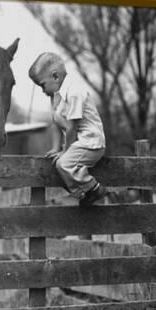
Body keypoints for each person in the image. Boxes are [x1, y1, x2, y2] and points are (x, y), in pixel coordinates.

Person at [28, 52, 107, 207]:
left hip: (91, 143)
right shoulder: (58, 96)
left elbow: (71, 127)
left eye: (43, 85)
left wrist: (65, 150)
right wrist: (55, 148)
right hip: (81, 144)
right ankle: (82, 194)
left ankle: (94, 189)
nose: (43, 91)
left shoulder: (75, 92)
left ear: (55, 77)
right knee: (57, 164)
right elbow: (56, 123)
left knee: (63, 164)